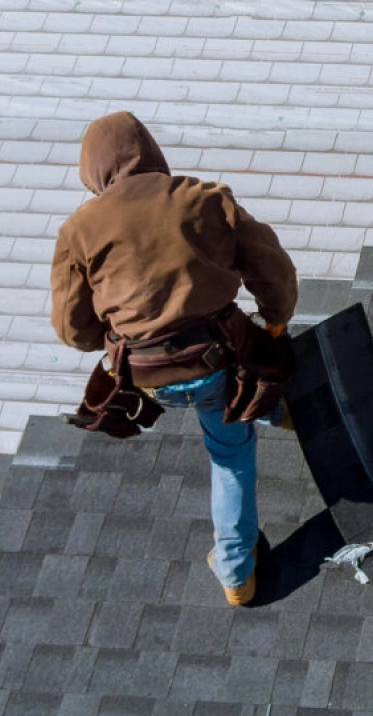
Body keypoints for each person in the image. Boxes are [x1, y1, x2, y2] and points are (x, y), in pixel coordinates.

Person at [50, 112, 298, 605]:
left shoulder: (78, 231)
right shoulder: (204, 198)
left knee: (222, 405)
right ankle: (235, 573)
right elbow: (275, 272)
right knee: (229, 452)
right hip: (217, 361)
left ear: (94, 170)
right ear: (150, 153)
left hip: (147, 378)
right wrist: (273, 325)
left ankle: (273, 408)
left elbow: (74, 331)